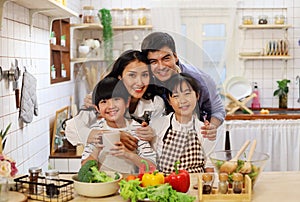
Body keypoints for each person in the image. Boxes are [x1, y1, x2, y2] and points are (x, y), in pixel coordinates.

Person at [65, 50, 165, 150]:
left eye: (144, 75)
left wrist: (153, 136)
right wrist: (112, 136)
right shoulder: (102, 98)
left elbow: (160, 142)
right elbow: (72, 130)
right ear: (120, 77)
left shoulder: (155, 103)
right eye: (132, 75)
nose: (139, 82)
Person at [141, 32, 226, 141]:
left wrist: (211, 127)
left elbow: (217, 110)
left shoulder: (201, 80)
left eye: (166, 58)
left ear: (175, 57)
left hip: (194, 138)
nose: (161, 67)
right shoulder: (145, 81)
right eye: (153, 62)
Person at [81, 77, 156, 173]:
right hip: (102, 186)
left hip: (128, 184)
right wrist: (96, 150)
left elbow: (152, 167)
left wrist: (128, 154)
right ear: (97, 108)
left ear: (127, 102)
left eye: (116, 99)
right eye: (104, 101)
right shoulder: (96, 130)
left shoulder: (137, 129)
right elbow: (83, 169)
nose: (111, 106)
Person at [151, 73, 215, 173]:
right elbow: (152, 161)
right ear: (169, 101)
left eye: (187, 93)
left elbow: (209, 166)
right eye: (176, 96)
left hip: (195, 184)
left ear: (197, 95)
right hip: (166, 184)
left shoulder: (204, 129)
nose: (182, 100)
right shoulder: (159, 125)